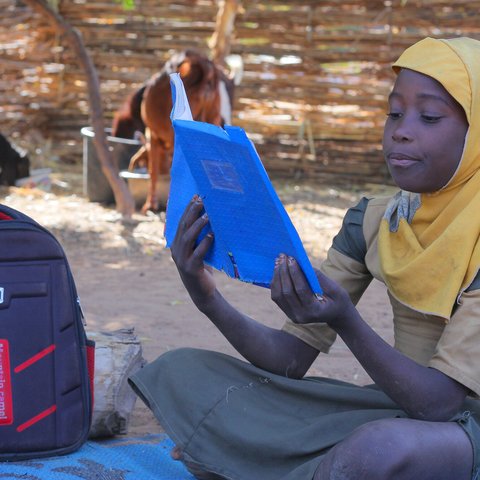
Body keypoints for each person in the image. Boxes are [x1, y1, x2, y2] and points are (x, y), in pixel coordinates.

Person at [129, 36, 480, 480]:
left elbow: (443, 403)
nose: (401, 130)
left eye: (428, 117)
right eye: (394, 113)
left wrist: (346, 321)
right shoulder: (373, 220)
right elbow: (288, 360)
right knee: (182, 370)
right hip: (399, 407)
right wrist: (205, 296)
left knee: (379, 448)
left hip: (456, 426)